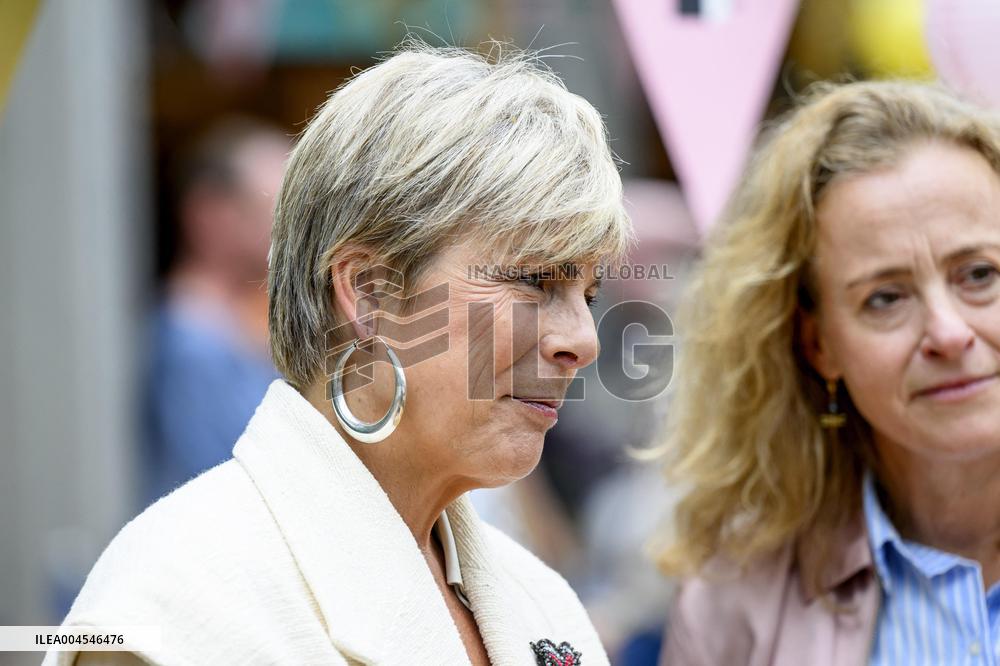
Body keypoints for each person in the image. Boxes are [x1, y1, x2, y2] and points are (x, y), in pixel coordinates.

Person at [46, 39, 633, 666]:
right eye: (534, 280)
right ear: (368, 292)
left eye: (588, 296)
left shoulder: (542, 602)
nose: (582, 341)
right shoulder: (172, 608)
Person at [657, 81, 1000, 665]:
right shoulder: (733, 607)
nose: (948, 333)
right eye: (886, 299)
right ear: (819, 345)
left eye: (979, 275)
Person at [144, 119, 287, 506]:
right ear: (209, 213)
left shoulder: (240, 322)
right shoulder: (190, 346)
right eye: (271, 208)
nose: (291, 231)